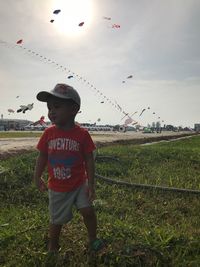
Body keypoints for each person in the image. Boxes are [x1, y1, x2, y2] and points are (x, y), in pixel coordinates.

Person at [34, 83, 104, 253]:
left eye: (57, 107)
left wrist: (91, 184)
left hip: (80, 184)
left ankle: (93, 238)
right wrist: (37, 177)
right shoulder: (48, 134)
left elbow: (89, 159)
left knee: (88, 211)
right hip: (57, 187)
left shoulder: (82, 134)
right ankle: (53, 244)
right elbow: (42, 155)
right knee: (56, 220)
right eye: (49, 107)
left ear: (73, 109)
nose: (51, 112)